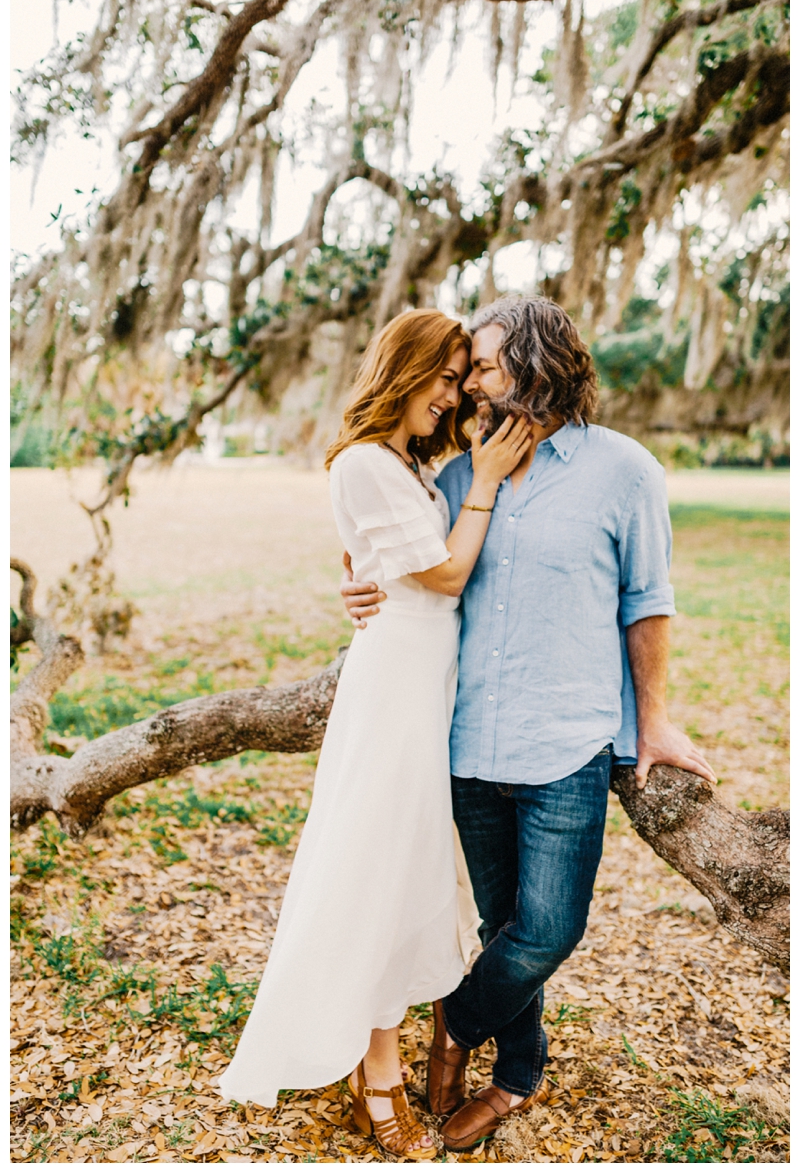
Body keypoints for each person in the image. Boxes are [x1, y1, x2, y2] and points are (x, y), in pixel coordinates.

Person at [342, 295, 716, 1152]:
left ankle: (455, 1017)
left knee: (549, 929)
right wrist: (355, 585)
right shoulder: (455, 475)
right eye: (466, 365)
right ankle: (516, 1079)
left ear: (542, 360)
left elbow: (648, 602)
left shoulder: (625, 471)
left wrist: (651, 719)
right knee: (504, 921)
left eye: (483, 361)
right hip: (466, 741)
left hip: (568, 742)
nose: (468, 378)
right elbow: (408, 566)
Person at [218, 308, 532, 1159]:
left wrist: (360, 573)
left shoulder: (404, 465)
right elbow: (446, 569)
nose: (455, 393)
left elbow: (391, 565)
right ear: (404, 369)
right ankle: (380, 1072)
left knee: (404, 872)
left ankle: (378, 1060)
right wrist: (488, 483)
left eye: (464, 375)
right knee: (377, 873)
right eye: (444, 375)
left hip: (428, 688)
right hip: (394, 695)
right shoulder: (365, 462)